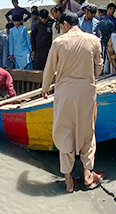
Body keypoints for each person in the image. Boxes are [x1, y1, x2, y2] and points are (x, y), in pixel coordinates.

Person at [41, 11, 104, 193]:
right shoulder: (93, 40)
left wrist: (45, 88)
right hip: (86, 92)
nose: (61, 30)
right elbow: (98, 69)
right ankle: (88, 174)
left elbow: (49, 68)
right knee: (87, 131)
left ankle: (69, 181)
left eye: (60, 26)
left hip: (64, 93)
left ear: (66, 24)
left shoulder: (59, 42)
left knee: (64, 131)